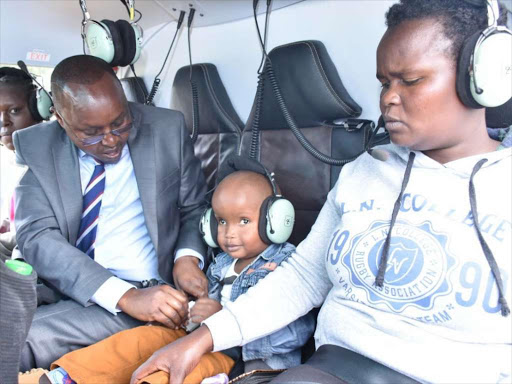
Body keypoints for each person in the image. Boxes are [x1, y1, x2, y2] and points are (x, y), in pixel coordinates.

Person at [129, 1, 512, 383]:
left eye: (410, 81)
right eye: (384, 82)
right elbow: (303, 278)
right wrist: (200, 341)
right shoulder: (364, 171)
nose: (388, 98)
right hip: (330, 369)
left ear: (483, 75)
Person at [32, 163, 314, 384]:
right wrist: (190, 310)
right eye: (221, 221)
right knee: (137, 341)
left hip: (245, 358)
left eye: (244, 221)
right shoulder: (220, 263)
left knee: (174, 370)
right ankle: (70, 376)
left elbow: (293, 332)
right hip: (195, 339)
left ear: (276, 219)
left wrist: (221, 319)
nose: (229, 233)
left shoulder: (285, 267)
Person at [13, 55, 209, 371]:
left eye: (119, 123)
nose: (110, 141)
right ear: (61, 121)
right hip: (66, 285)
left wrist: (186, 258)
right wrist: (122, 295)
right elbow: (36, 236)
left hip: (148, 294)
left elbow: (193, 208)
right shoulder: (38, 146)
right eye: (90, 132)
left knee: (16, 340)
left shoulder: (167, 129)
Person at [0, 67, 43, 260]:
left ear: (37, 108)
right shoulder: (15, 161)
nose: (3, 122)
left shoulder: (48, 164)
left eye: (14, 110)